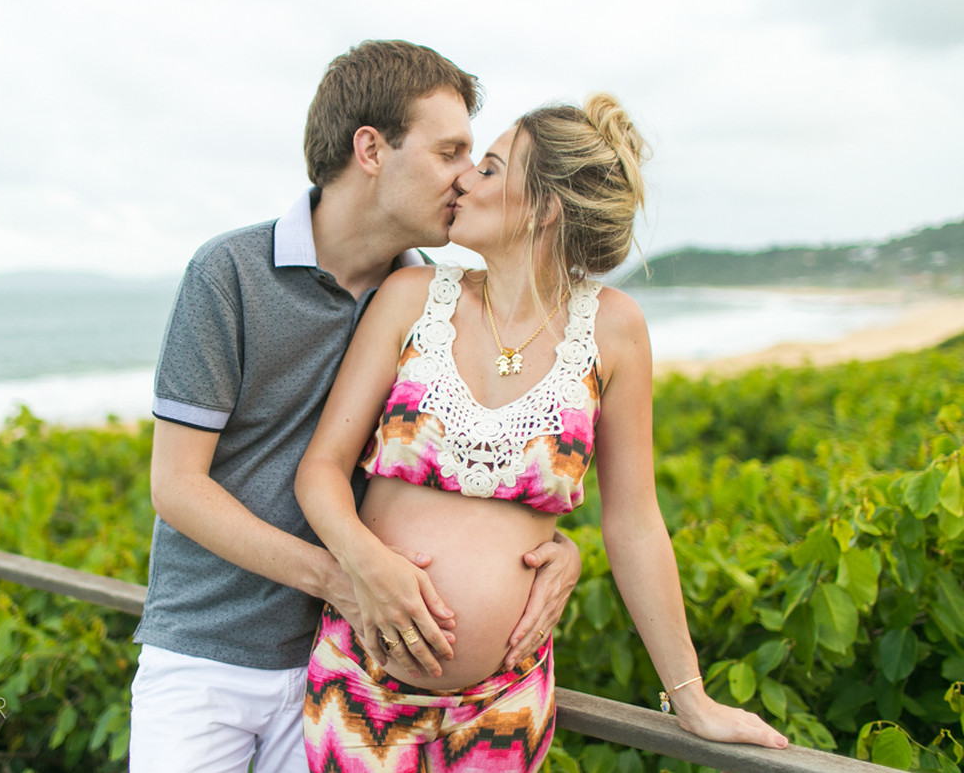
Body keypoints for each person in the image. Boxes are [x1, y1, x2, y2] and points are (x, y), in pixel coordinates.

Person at [296, 93, 791, 771]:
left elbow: (635, 523)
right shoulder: (412, 297)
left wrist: (691, 698)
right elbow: (321, 469)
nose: (464, 179)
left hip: (506, 707)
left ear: (545, 207)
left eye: (491, 168)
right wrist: (367, 564)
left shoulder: (614, 329)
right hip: (359, 687)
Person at [129, 40, 582, 773]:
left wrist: (554, 551)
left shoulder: (431, 301)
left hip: (349, 665)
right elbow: (177, 487)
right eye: (449, 151)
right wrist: (344, 577)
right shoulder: (229, 273)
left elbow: (464, 468)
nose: (467, 175)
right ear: (370, 149)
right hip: (206, 654)